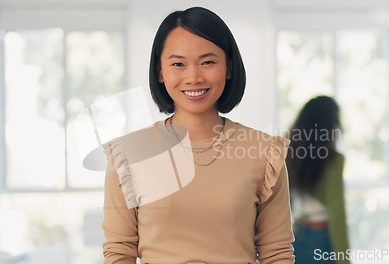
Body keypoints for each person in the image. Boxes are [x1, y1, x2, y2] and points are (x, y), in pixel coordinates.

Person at [102, 6, 295, 264]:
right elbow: (119, 253)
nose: (193, 77)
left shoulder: (265, 153)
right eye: (178, 64)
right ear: (160, 71)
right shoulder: (129, 154)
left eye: (208, 62)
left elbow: (277, 253)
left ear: (228, 67)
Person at [286, 96, 350, 264]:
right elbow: (337, 217)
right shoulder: (334, 162)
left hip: (296, 236)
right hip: (321, 240)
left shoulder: (291, 155)